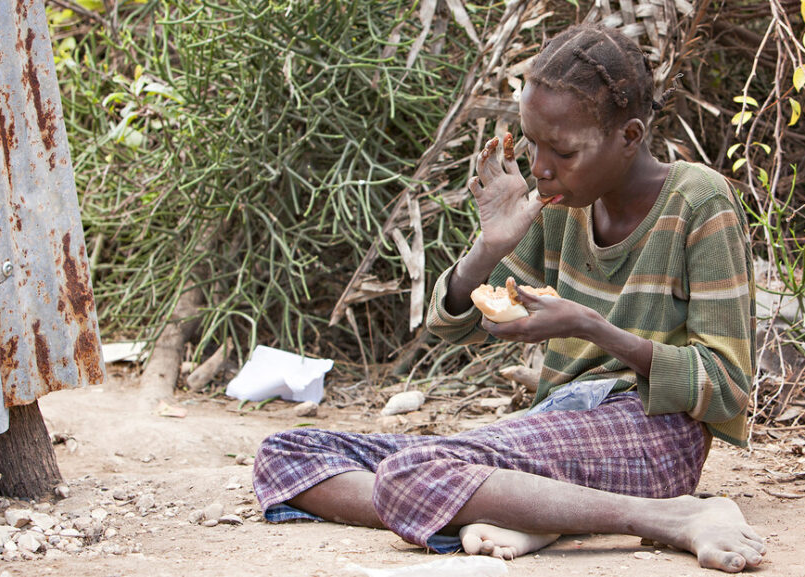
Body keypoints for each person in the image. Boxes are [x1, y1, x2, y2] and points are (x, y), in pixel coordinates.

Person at [251, 23, 765, 573]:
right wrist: (489, 246)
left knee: (414, 471)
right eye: (531, 143)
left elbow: (728, 386)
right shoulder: (560, 202)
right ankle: (525, 511)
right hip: (556, 421)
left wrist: (592, 327)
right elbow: (455, 328)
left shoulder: (699, 201)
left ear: (631, 136)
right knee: (286, 455)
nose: (540, 168)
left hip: (653, 432)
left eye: (562, 150)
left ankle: (672, 517)